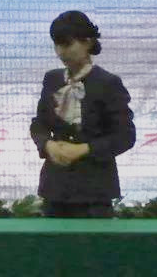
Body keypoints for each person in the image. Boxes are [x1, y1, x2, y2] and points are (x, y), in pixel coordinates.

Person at [30, 11, 135, 218]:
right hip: (55, 188)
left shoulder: (108, 83)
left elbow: (125, 136)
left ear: (87, 42)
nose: (60, 52)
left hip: (94, 192)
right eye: (56, 45)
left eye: (67, 44)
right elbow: (39, 124)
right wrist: (47, 145)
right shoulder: (52, 80)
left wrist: (83, 149)